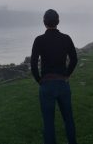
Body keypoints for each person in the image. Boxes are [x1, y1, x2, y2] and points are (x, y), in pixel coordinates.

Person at [31, 9, 78, 144]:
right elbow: (74, 59)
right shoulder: (66, 38)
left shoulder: (39, 40)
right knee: (68, 119)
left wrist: (39, 80)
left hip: (47, 85)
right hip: (63, 83)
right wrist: (67, 75)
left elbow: (33, 64)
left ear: (44, 22)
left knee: (48, 122)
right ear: (58, 22)